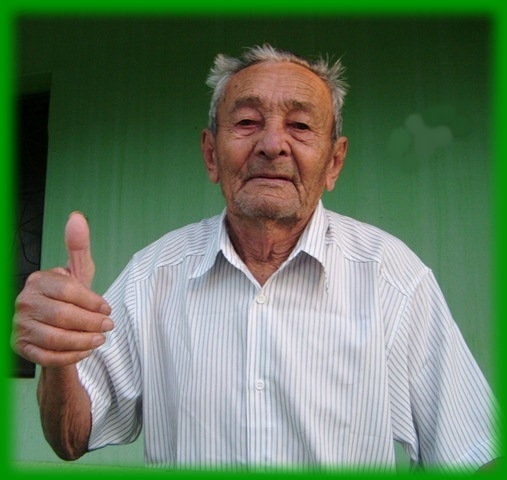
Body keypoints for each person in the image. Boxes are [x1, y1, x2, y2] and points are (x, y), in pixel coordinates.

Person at [12, 44, 499, 473]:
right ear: (211, 154)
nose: (271, 145)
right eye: (246, 122)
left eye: (300, 125)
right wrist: (58, 360)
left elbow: (468, 453)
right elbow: (70, 437)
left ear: (334, 162)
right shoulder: (152, 275)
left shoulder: (392, 278)